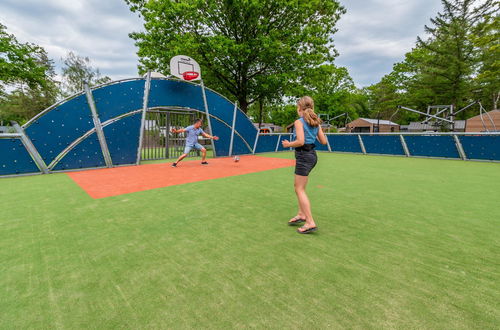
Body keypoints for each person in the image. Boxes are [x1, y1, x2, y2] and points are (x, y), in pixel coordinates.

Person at [282, 96, 327, 234]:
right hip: (312, 156)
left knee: (299, 189)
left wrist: (288, 144)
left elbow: (300, 141)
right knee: (301, 187)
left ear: (299, 108)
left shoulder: (299, 122)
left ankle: (309, 221)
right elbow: (324, 141)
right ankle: (301, 214)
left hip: (303, 156)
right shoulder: (315, 122)